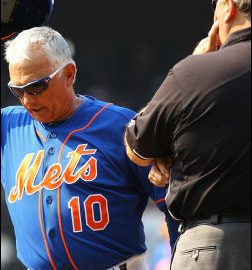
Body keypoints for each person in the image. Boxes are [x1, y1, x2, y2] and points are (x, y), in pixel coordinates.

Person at [1, 26, 179, 270]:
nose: (27, 100)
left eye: (37, 86)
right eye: (17, 90)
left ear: (69, 74)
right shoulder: (8, 126)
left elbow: (176, 205)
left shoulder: (122, 126)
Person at [124, 0, 251, 269]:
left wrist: (164, 154)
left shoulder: (196, 72)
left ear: (228, 7)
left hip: (215, 245)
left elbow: (137, 145)